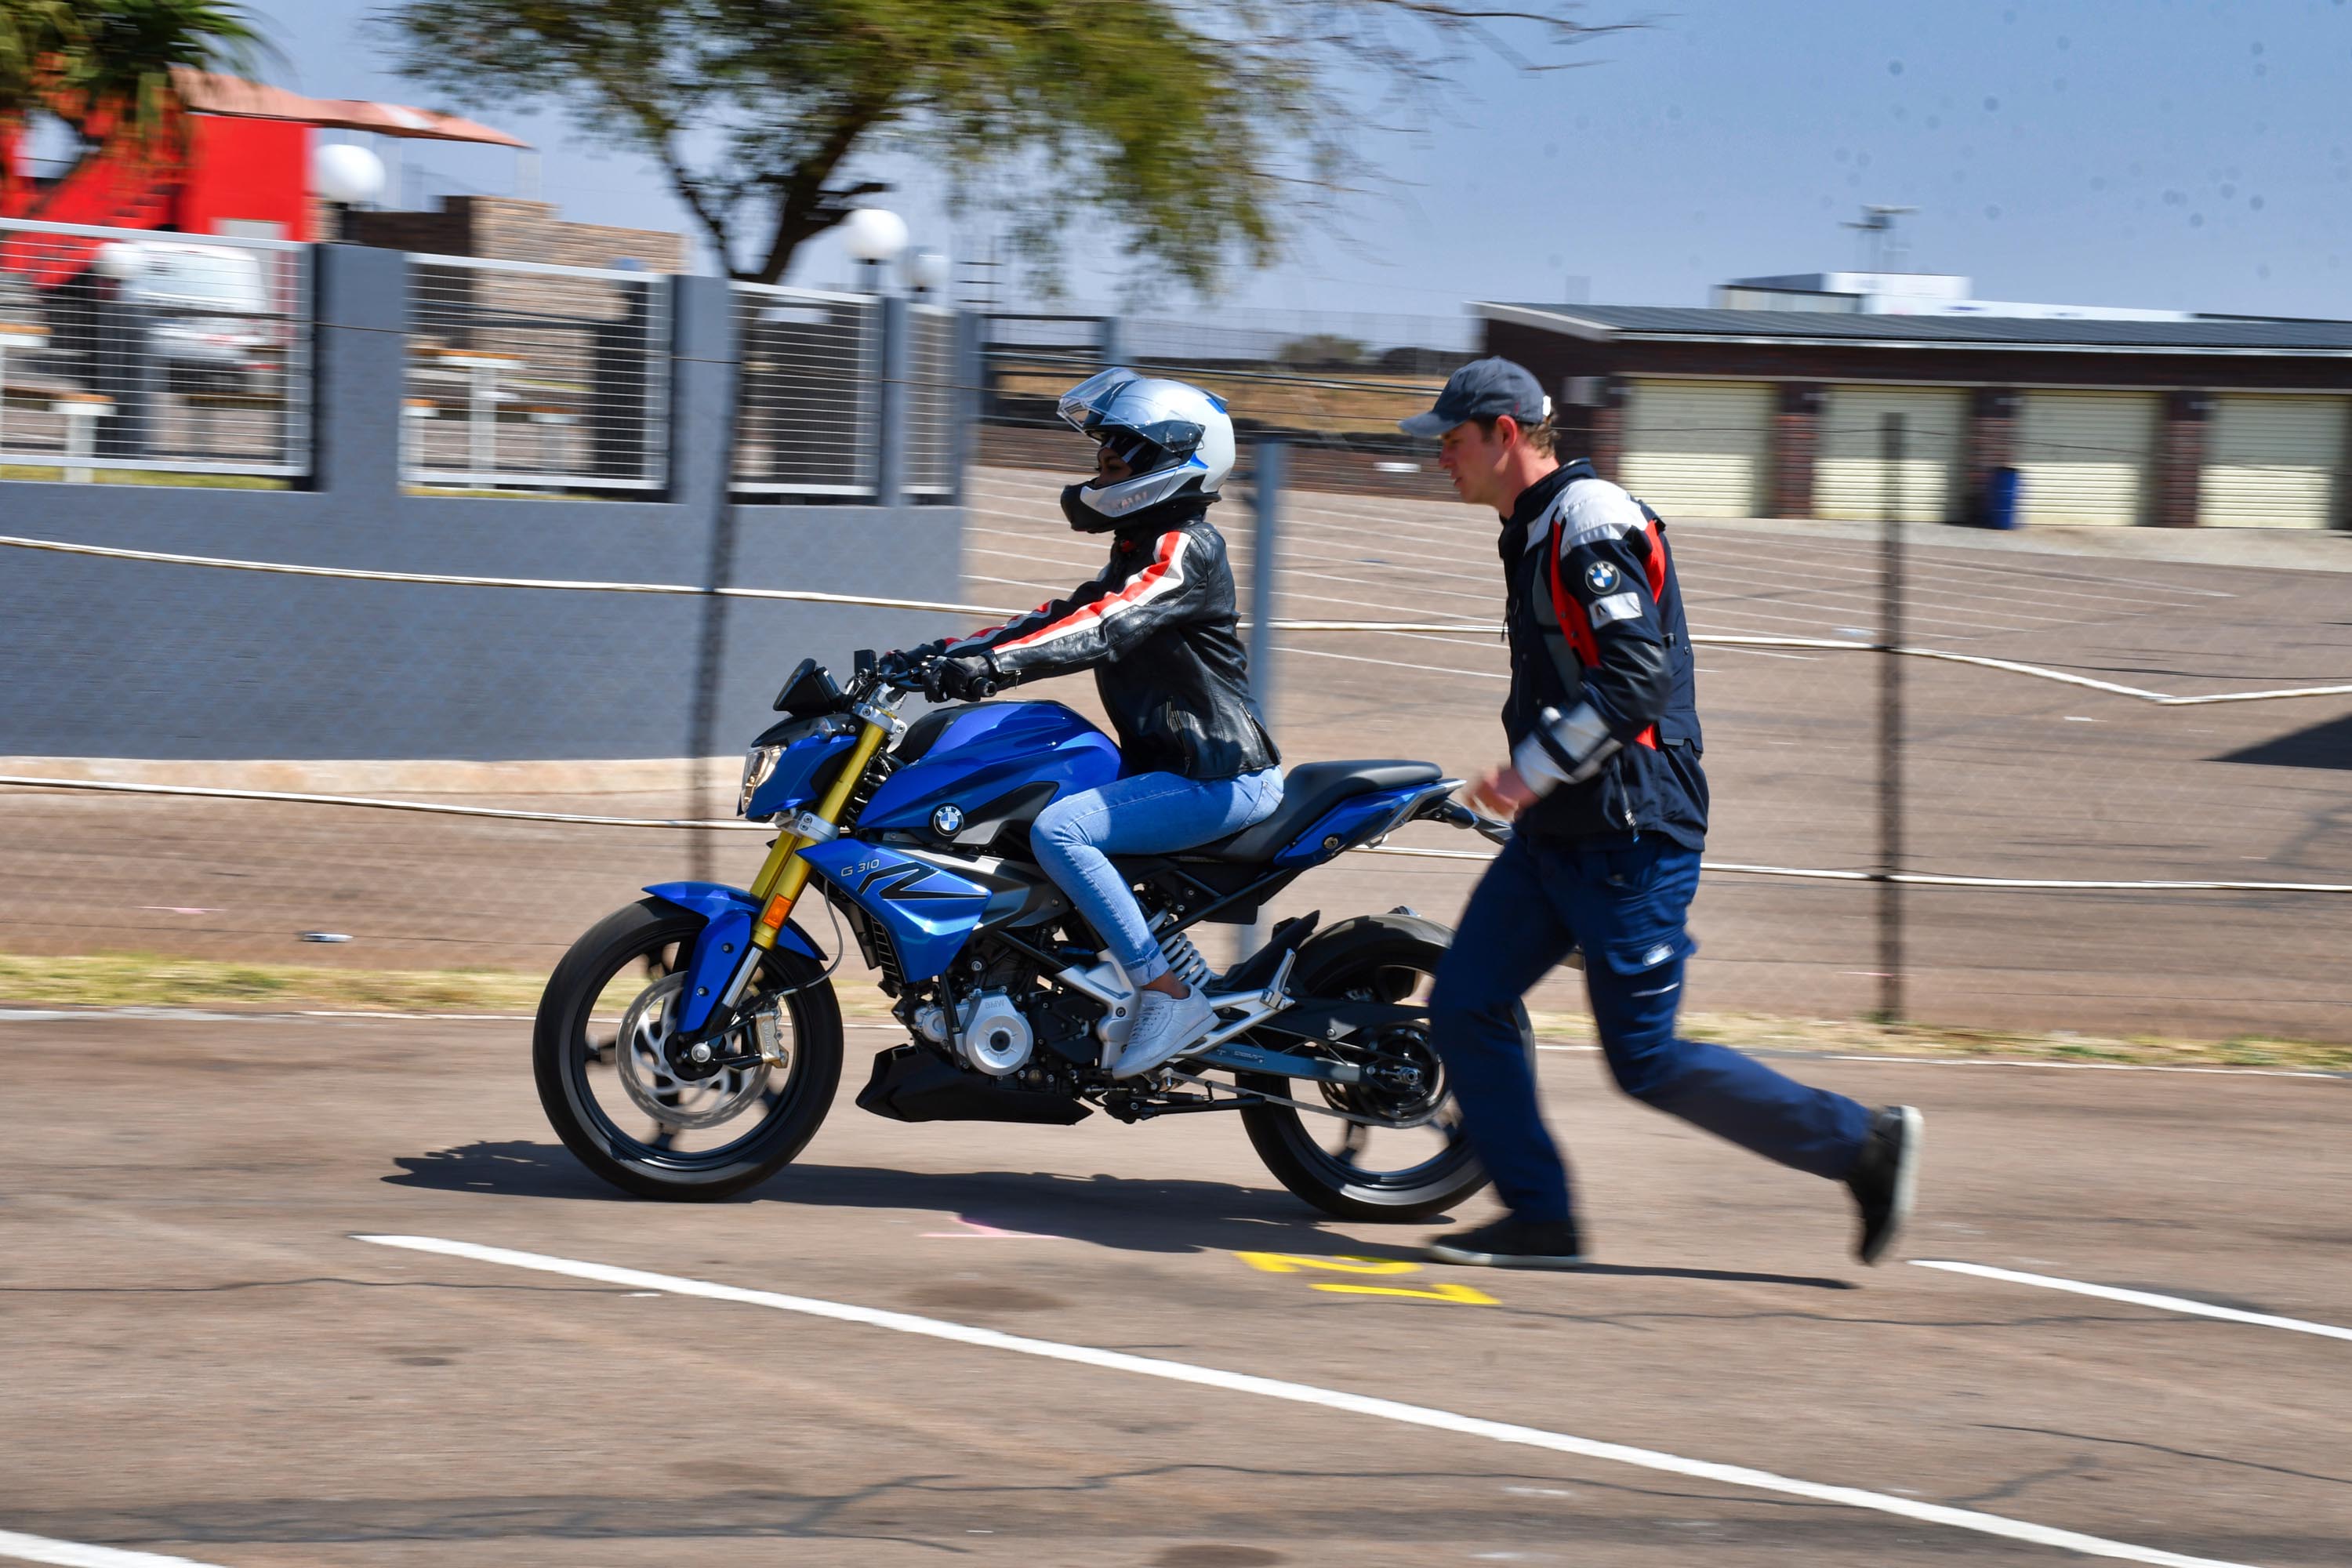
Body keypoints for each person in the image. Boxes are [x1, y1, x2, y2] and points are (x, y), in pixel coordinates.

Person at [1397, 358, 1922, 1269]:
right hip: (1561, 832)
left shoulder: (1586, 520)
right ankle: (1541, 1218)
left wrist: (1528, 771)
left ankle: (1862, 1143)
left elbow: (1637, 676)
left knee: (1645, 1059)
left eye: (1452, 439)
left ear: (1505, 434)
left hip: (1631, 833)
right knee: (1466, 1002)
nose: (1441, 457)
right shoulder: (1535, 523)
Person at [884, 368, 1283, 1079]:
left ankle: (1167, 994)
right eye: (1101, 458)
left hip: (1218, 775)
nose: (1100, 471)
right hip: (1172, 768)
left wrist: (994, 669)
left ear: (1171, 459)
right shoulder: (1140, 547)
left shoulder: (1186, 548)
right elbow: (1059, 615)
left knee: (1060, 830)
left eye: (1115, 460)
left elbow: (1105, 625)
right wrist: (939, 656)